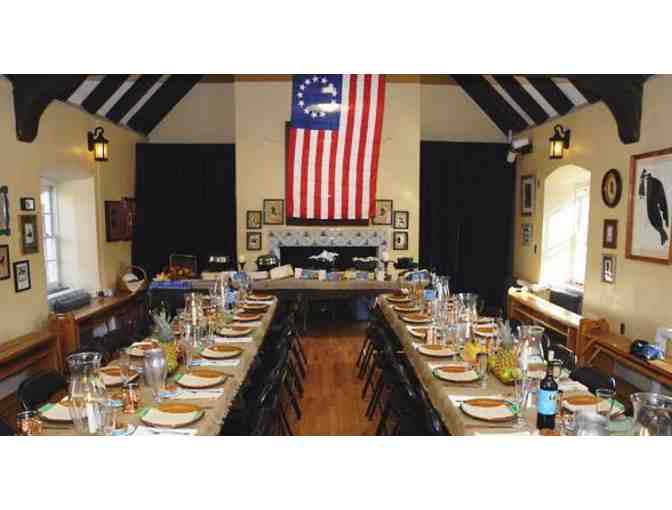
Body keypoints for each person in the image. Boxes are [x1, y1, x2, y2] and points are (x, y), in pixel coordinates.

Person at [639, 169, 669, 246]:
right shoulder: (642, 181)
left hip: (653, 209)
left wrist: (665, 217)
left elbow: (662, 200)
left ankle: (663, 235)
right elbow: (640, 196)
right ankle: (663, 235)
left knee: (655, 222)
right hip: (644, 210)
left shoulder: (656, 182)